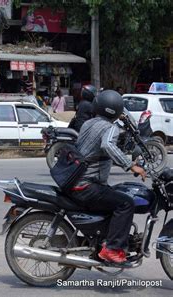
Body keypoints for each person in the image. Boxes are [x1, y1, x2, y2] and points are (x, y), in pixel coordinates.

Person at [67, 90, 146, 265]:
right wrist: (131, 165)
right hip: (87, 185)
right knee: (126, 203)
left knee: (115, 196)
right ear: (115, 110)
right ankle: (112, 248)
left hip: (79, 180)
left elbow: (99, 149)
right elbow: (107, 145)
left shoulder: (89, 123)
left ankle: (101, 242)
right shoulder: (110, 128)